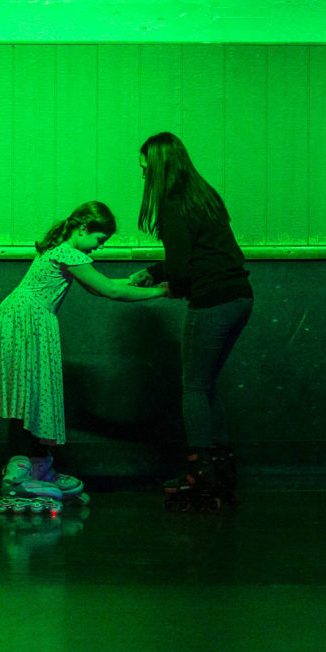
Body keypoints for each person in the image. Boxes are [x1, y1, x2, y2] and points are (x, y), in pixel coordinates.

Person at [0, 201, 170, 514]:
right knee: (28, 397)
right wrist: (162, 291)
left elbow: (103, 286)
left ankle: (39, 468)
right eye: (99, 239)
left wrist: (137, 281)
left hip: (23, 320)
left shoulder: (59, 250)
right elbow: (109, 291)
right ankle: (18, 475)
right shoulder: (67, 252)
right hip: (25, 322)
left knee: (34, 395)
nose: (98, 248)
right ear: (83, 229)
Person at [128, 133, 253, 509]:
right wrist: (155, 270)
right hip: (239, 297)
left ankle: (201, 476)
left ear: (159, 165)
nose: (142, 172)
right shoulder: (202, 194)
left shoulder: (172, 203)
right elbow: (203, 252)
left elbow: (183, 270)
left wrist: (165, 286)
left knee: (194, 388)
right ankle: (222, 471)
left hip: (212, 301)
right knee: (207, 386)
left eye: (144, 166)